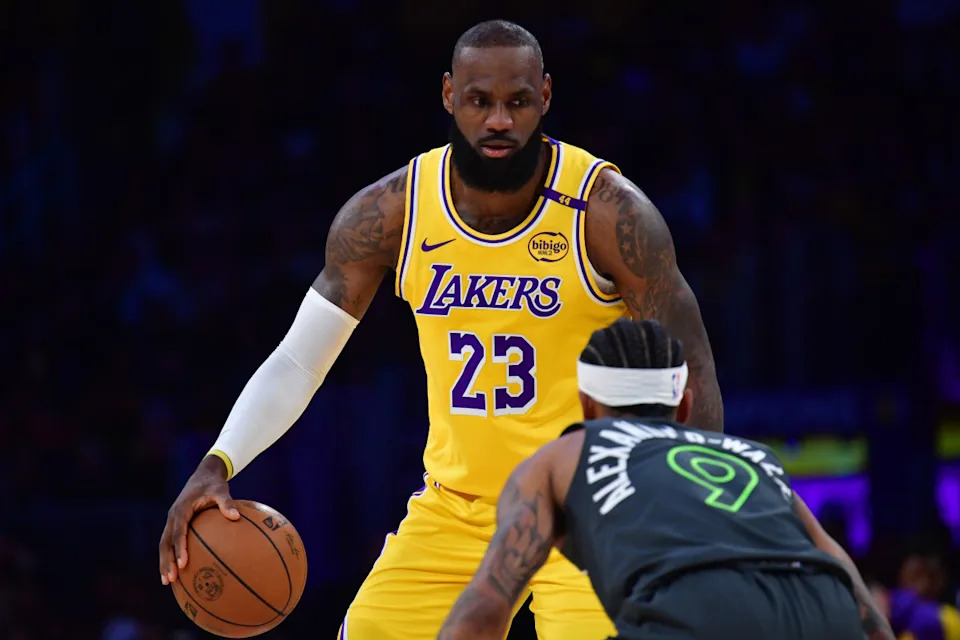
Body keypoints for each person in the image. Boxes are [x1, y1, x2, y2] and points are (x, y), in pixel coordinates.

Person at [158, 19, 723, 639]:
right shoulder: (391, 213)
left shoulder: (609, 213)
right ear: (450, 95)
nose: (499, 120)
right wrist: (219, 460)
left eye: (518, 102)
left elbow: (689, 366)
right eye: (480, 101)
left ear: (547, 98)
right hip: (459, 510)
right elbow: (300, 362)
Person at [438, 318, 895, 640]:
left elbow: (484, 610)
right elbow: (846, 579)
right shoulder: (755, 457)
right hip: (822, 610)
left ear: (587, 408)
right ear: (684, 408)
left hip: (694, 609)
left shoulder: (565, 452)